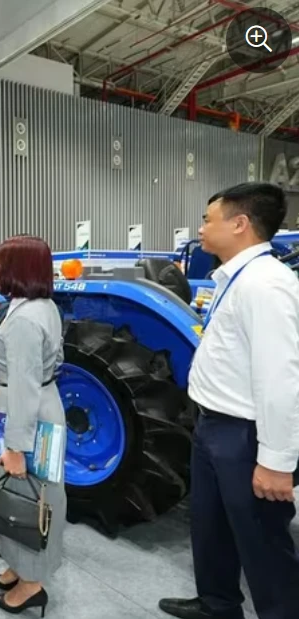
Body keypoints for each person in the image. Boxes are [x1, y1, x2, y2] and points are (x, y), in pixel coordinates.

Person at [158, 182, 299, 619]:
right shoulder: (236, 277)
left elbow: (280, 377)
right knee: (212, 527)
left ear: (239, 224)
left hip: (244, 434)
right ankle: (217, 605)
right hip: (214, 425)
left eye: (208, 219)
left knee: (261, 541)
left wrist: (276, 461)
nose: (201, 228)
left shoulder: (266, 285)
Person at [0, 235, 65, 617]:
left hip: (27, 416)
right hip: (37, 405)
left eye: (0, 262)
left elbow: (24, 385)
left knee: (31, 500)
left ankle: (32, 584)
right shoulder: (40, 306)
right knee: (21, 494)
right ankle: (17, 567)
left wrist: (16, 446)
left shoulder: (25, 320)